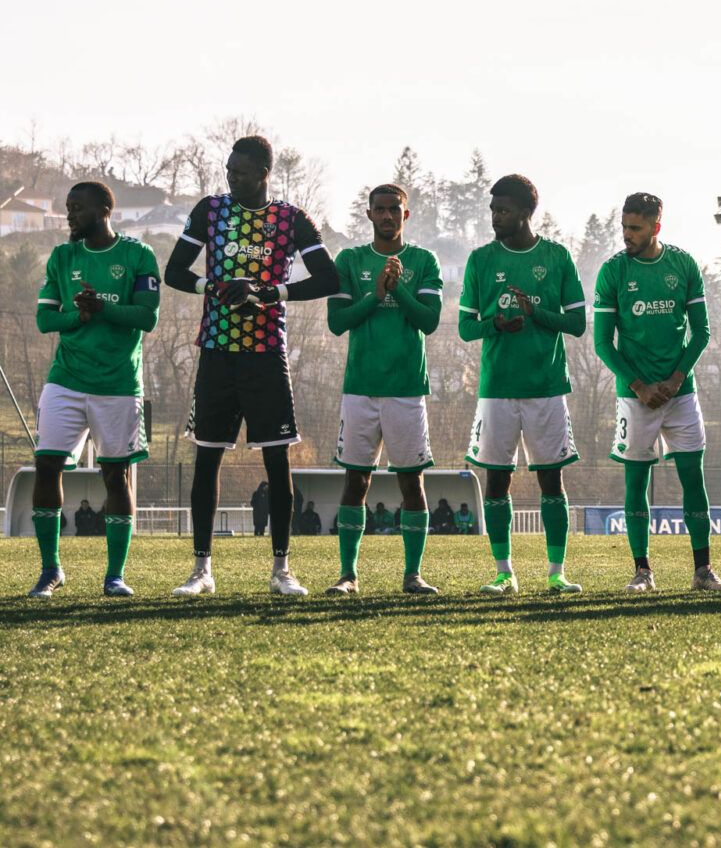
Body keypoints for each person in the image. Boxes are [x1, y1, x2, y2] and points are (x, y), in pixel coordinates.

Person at [163, 135, 338, 597]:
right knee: (206, 458)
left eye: (240, 171)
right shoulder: (210, 211)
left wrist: (269, 293)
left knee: (277, 461)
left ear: (264, 173)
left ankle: (282, 568)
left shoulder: (292, 219)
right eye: (228, 170)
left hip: (266, 355)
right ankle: (201, 569)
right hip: (217, 352)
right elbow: (174, 271)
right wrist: (214, 286)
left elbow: (328, 278)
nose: (230, 177)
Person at [591, 192, 721, 593]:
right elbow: (603, 343)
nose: (626, 235)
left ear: (656, 227)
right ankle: (642, 572)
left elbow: (701, 332)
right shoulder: (612, 271)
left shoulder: (682, 264)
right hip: (635, 396)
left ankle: (703, 571)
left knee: (693, 478)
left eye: (634, 228)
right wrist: (638, 385)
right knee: (635, 482)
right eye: (623, 226)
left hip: (680, 394)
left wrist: (674, 379)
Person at [27, 180, 159, 598]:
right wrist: (78, 319)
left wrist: (102, 308)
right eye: (68, 207)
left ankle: (114, 575)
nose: (70, 214)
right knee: (47, 466)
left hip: (118, 384)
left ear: (105, 208)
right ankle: (51, 570)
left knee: (115, 476)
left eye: (77, 207)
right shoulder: (63, 257)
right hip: (65, 380)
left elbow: (146, 317)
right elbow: (46, 320)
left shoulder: (137, 255)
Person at [460, 174, 587, 594]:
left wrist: (538, 314)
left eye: (504, 211)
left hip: (547, 386)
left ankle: (556, 573)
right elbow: (464, 327)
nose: (496, 217)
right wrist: (495, 323)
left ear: (527, 213)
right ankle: (504, 573)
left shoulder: (556, 257)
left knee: (552, 480)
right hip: (496, 388)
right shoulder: (480, 260)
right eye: (493, 210)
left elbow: (577, 323)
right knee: (497, 480)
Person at [324, 183, 444, 596]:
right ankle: (347, 575)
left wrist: (399, 290)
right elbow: (337, 323)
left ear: (406, 215)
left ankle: (413, 575)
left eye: (395, 209)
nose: (388, 216)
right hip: (360, 388)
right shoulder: (350, 259)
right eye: (381, 209)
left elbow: (428, 321)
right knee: (356, 482)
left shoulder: (424, 260)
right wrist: (375, 295)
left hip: (407, 388)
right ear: (370, 214)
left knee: (412, 484)